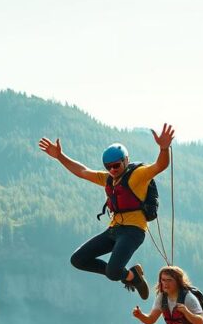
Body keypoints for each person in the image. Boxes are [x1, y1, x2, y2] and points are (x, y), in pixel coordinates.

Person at [38, 124, 176, 300]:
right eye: (108, 166)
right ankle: (132, 276)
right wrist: (59, 156)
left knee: (113, 273)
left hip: (133, 231)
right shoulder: (108, 179)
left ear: (126, 160)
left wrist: (164, 148)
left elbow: (159, 166)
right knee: (78, 260)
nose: (112, 169)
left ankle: (131, 277)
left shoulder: (137, 175)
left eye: (116, 165)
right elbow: (82, 171)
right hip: (114, 230)